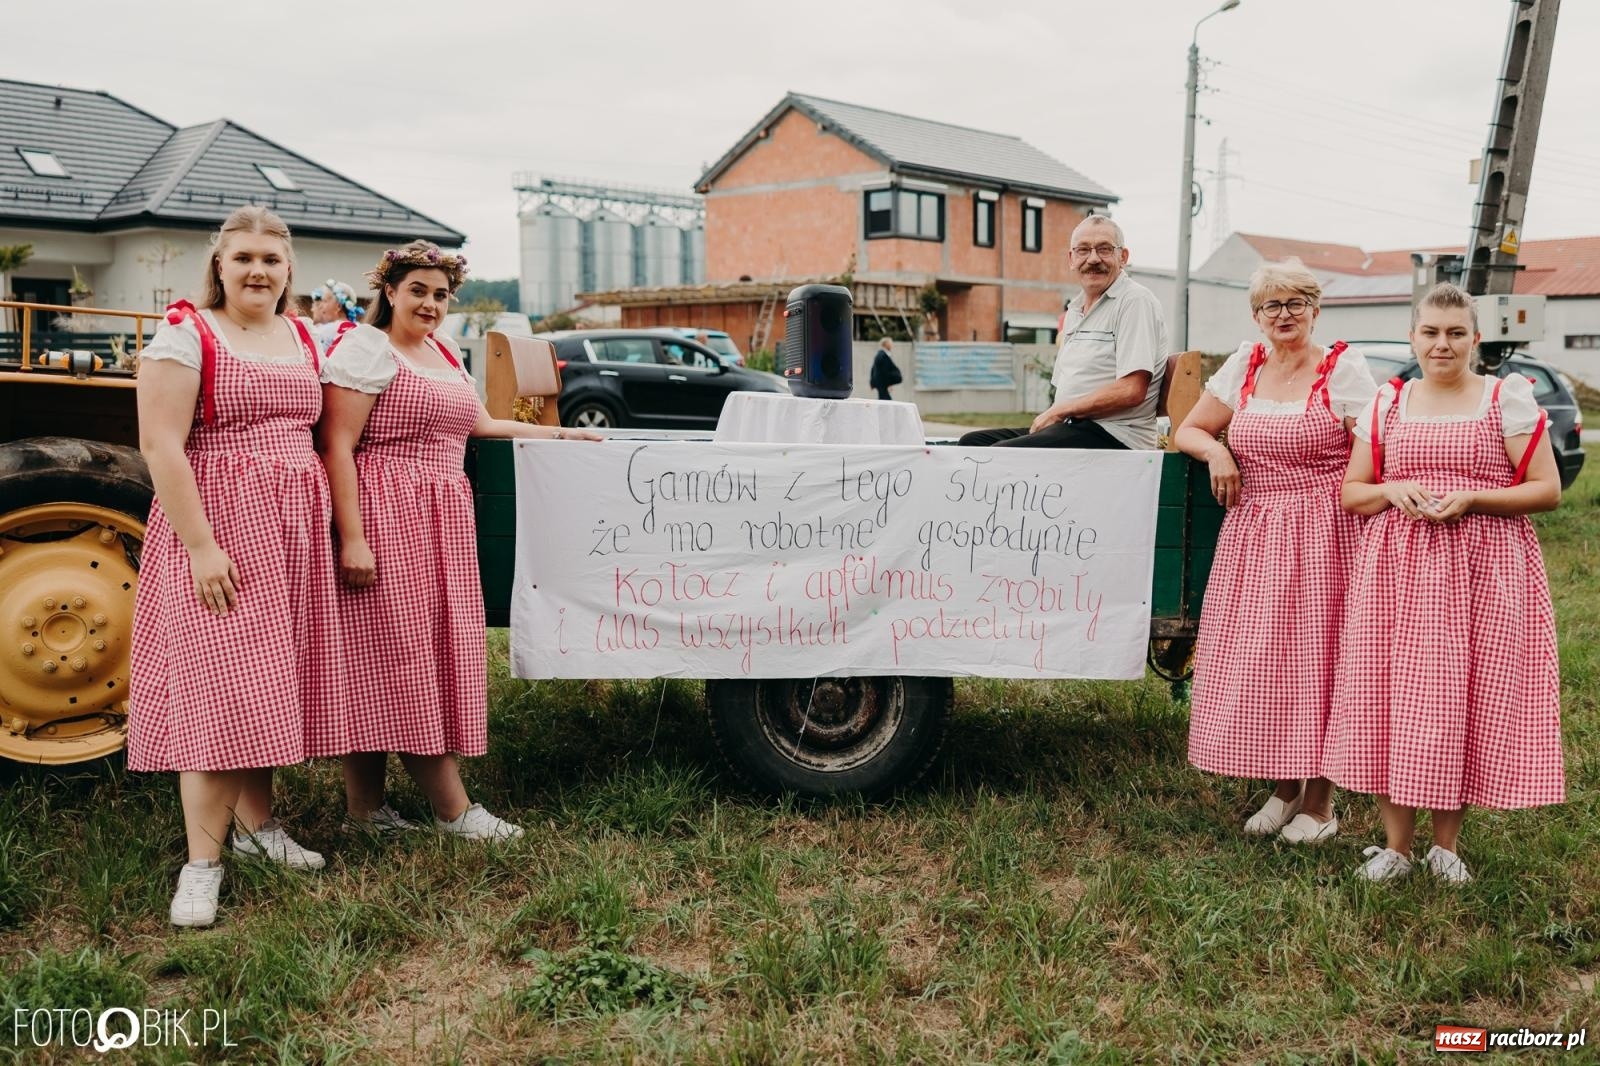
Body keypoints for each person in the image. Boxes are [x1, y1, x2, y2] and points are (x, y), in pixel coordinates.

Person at [317, 240, 601, 841]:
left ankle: (363, 813)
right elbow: (337, 444)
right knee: (405, 658)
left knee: (392, 658)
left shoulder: (443, 352)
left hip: (441, 521)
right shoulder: (368, 349)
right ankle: (455, 812)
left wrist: (556, 438)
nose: (429, 303)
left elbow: (479, 424)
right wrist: (353, 538)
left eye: (440, 294)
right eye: (417, 290)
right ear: (389, 292)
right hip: (387, 513)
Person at [130, 205, 345, 928]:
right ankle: (201, 865)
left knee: (264, 682)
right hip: (219, 527)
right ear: (219, 265)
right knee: (220, 691)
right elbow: (161, 446)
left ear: (289, 272)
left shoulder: (302, 337)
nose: (258, 270)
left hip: (292, 531)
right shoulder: (187, 334)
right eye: (244, 257)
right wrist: (200, 546)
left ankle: (259, 829)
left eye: (272, 259)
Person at [1323, 283, 1563, 883]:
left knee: (1461, 698)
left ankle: (1445, 847)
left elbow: (1547, 489)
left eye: (1456, 333)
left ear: (1475, 340)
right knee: (1391, 697)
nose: (1442, 344)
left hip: (1481, 568)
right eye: (1430, 332)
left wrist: (1475, 496)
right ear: (1413, 337)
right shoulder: (1388, 403)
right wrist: (1390, 489)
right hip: (1395, 573)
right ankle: (1396, 847)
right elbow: (1352, 492)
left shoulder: (1504, 400)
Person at [1175, 262, 1374, 843]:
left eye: (1294, 304)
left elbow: (1373, 444)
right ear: (1257, 315)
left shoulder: (1342, 368)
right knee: (1270, 661)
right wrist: (1217, 453)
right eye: (1271, 306)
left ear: (1315, 309)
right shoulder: (1246, 364)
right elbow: (1190, 429)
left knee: (1318, 659)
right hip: (1256, 532)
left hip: (1323, 533)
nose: (1283, 315)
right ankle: (1285, 789)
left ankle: (1320, 803)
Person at [959, 216, 1166, 449]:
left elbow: (1131, 390)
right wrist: (1058, 414)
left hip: (1118, 436)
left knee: (1002, 454)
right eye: (1083, 250)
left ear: (1123, 257)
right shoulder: (1075, 311)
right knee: (972, 442)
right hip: (1076, 427)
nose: (1093, 259)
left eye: (1104, 249)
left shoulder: (1134, 301)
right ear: (1071, 259)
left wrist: (1060, 411)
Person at [310, 279, 362, 351]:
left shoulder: (325, 331)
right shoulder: (360, 329)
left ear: (339, 306)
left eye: (325, 301)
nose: (321, 306)